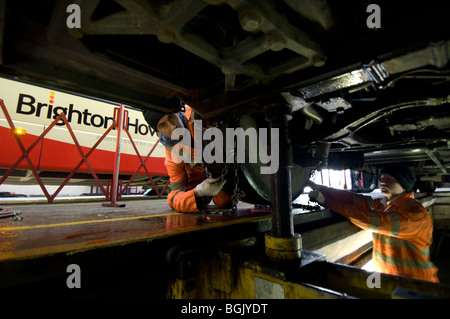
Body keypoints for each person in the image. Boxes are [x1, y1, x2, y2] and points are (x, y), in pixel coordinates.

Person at [308, 164, 439, 283]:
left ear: (404, 185)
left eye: (390, 178)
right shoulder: (386, 205)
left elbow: (377, 222)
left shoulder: (416, 213)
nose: (383, 181)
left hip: (416, 284)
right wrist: (320, 189)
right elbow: (355, 200)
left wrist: (327, 202)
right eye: (382, 177)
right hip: (388, 278)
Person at [143, 104, 232, 213]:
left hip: (224, 173)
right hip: (201, 188)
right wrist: (198, 192)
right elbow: (175, 196)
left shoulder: (200, 116)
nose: (172, 127)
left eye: (172, 117)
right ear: (158, 132)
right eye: (163, 125)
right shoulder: (172, 154)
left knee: (224, 200)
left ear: (178, 113)